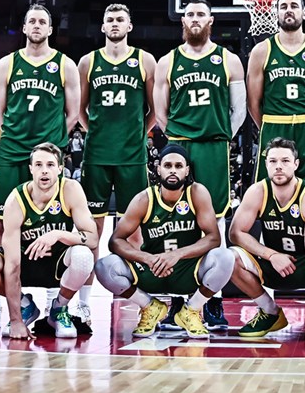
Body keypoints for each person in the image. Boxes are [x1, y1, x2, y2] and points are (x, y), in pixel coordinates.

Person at [0, 4, 81, 329]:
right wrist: (13, 137)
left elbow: (73, 113)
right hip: (13, 152)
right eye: (32, 21)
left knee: (58, 220)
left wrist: (51, 144)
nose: (37, 26)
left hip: (49, 155)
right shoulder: (7, 64)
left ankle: (59, 304)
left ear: (50, 29)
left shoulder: (65, 64)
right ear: (24, 28)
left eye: (43, 21)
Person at [154, 0, 246, 329]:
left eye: (200, 14)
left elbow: (239, 112)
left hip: (214, 147)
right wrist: (177, 141)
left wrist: (219, 137)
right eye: (189, 14)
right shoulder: (168, 61)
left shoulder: (229, 60)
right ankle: (179, 296)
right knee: (177, 220)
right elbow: (160, 113)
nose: (194, 19)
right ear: (183, 21)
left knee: (216, 221)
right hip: (181, 146)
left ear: (211, 20)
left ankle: (213, 301)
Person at [93, 144, 234, 338]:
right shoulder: (144, 199)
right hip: (153, 270)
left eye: (178, 166)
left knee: (226, 257)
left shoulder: (196, 193)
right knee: (103, 266)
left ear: (187, 170)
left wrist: (176, 255)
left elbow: (213, 238)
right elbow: (116, 240)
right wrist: (148, 258)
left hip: (187, 270)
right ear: (158, 169)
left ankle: (190, 310)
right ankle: (150, 307)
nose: (173, 170)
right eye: (168, 165)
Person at [228, 138, 305, 340]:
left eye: (285, 161)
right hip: (276, 264)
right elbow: (235, 233)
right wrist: (271, 255)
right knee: (228, 258)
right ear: (266, 164)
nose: (279, 166)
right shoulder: (257, 192)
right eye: (273, 161)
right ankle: (269, 311)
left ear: (296, 164)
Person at [77, 3, 157, 325]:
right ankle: (83, 304)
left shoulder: (144, 60)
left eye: (120, 19)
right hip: (96, 156)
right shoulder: (88, 61)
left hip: (132, 157)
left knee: (134, 234)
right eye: (109, 19)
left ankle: (139, 301)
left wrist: (138, 135)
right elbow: (80, 110)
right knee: (91, 232)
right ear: (103, 26)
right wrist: (95, 132)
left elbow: (153, 110)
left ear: (129, 26)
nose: (114, 23)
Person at [0, 143, 97, 339]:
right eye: (38, 165)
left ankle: (59, 310)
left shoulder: (71, 190)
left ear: (60, 169)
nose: (44, 170)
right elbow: (12, 264)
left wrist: (57, 234)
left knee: (84, 256)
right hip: (25, 263)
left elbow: (92, 238)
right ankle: (25, 307)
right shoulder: (16, 200)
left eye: (50, 165)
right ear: (30, 169)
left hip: (57, 263)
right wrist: (15, 322)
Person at [247, 0, 305, 196]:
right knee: (269, 191)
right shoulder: (262, 50)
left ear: (304, 14)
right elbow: (253, 102)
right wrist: (268, 125)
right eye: (284, 7)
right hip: (274, 123)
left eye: (294, 6)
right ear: (275, 14)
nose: (289, 10)